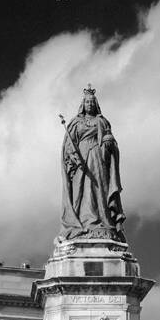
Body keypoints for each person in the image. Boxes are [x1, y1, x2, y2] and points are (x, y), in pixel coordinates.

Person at [59, 85, 126, 240]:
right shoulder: (75, 122)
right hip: (81, 159)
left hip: (97, 157)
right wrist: (73, 156)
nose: (89, 104)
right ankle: (82, 223)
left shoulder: (102, 121)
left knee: (99, 189)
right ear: (83, 104)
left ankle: (102, 221)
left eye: (92, 102)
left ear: (96, 104)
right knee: (80, 191)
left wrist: (109, 144)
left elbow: (110, 141)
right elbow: (68, 145)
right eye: (87, 102)